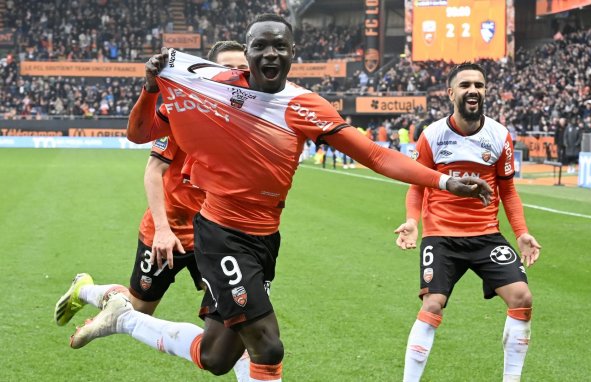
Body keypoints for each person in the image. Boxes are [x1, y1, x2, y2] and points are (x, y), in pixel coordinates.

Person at [67, 14, 492, 382]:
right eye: (260, 46)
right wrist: (149, 87)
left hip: (265, 240)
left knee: (217, 357)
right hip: (221, 236)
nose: (270, 54)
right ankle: (125, 313)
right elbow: (139, 135)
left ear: (293, 53)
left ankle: (124, 318)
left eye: (280, 46)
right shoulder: (209, 89)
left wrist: (443, 182)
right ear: (248, 53)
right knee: (268, 346)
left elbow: (375, 155)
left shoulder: (305, 106)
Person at [55, 41, 251, 381]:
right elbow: (152, 168)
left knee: (240, 325)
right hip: (169, 231)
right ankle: (85, 289)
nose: (236, 78)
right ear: (210, 73)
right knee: (138, 305)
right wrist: (162, 228)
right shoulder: (186, 114)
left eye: (243, 72)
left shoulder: (252, 117)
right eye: (229, 71)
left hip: (215, 237)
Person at [394, 63, 541, 382]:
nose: (473, 89)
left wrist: (522, 232)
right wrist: (411, 221)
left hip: (487, 236)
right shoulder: (432, 135)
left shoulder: (500, 135)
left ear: (485, 91)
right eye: (465, 85)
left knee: (522, 298)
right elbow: (417, 185)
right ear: (451, 93)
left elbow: (508, 189)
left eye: (479, 84)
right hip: (442, 237)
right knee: (433, 304)